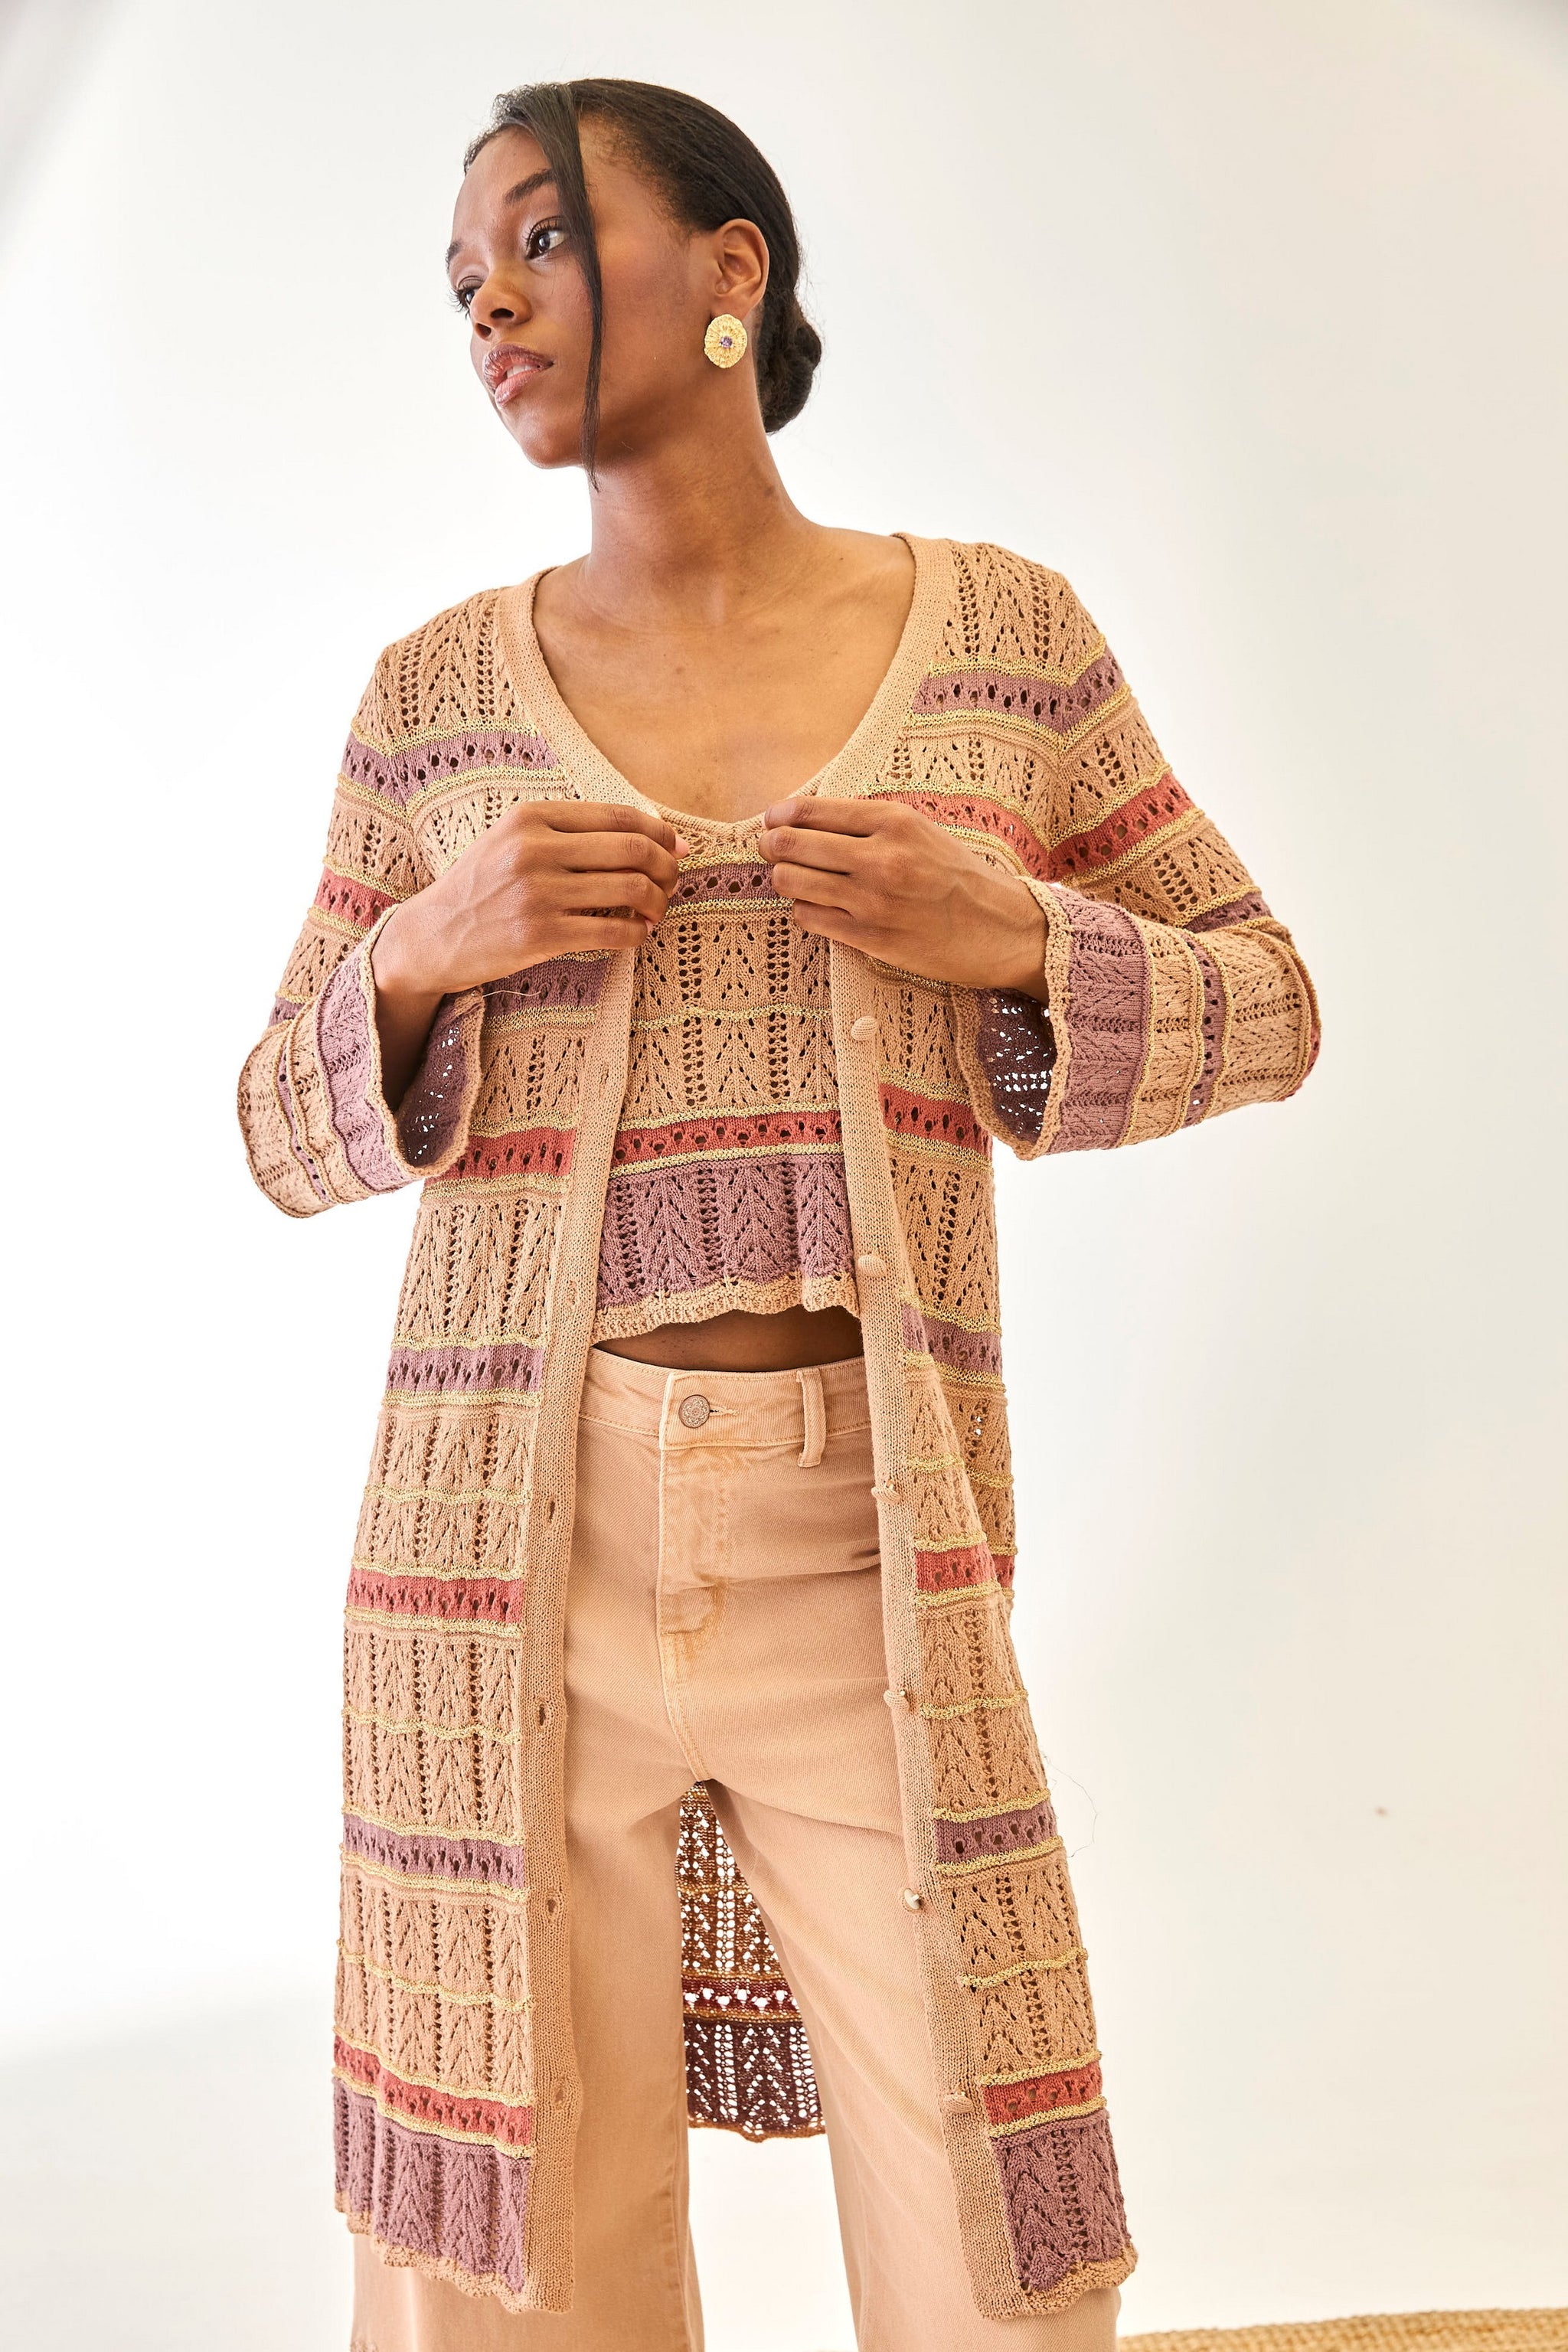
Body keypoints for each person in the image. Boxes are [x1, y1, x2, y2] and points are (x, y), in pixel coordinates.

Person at [238, 77, 1319, 2352]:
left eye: (543, 239)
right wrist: (424, 949)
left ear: (731, 269)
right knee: (505, 2255)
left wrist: (1014, 933)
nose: (492, 306)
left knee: (997, 2236)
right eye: (462, 279)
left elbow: (1269, 1001)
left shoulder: (1005, 641)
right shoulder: (434, 700)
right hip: (506, 1550)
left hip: (871, 1543)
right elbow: (277, 1125)